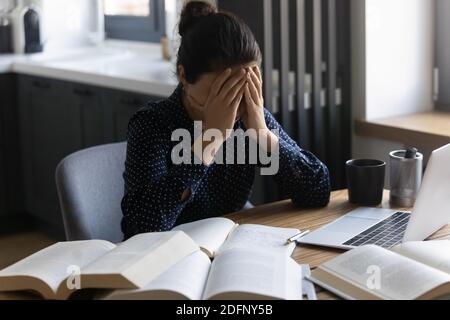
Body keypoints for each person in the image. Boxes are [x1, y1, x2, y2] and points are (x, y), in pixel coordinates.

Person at [121, 1, 330, 240]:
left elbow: (318, 191)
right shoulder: (153, 124)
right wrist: (211, 139)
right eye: (222, 90)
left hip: (230, 249)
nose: (233, 104)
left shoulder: (249, 118)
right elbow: (142, 227)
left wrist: (263, 135)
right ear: (184, 76)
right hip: (165, 258)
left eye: (243, 88)